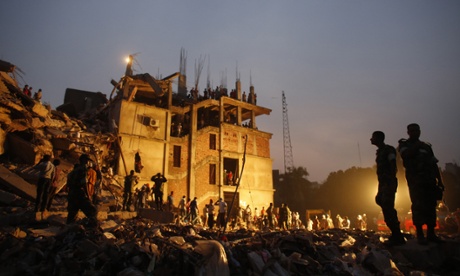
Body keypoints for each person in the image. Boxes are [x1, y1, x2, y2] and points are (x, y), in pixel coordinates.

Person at [398, 123, 445, 244]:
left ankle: (431, 233)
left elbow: (434, 164)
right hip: (415, 181)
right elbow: (406, 155)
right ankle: (419, 234)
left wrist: (440, 181)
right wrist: (417, 145)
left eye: (416, 130)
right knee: (417, 206)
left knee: (430, 206)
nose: (414, 132)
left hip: (429, 180)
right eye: (412, 131)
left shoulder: (427, 147)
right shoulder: (404, 144)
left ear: (420, 131)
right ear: (408, 132)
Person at [371, 131, 406, 246]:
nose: (371, 139)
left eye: (373, 137)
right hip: (383, 183)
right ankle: (395, 234)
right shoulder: (380, 151)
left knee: (388, 206)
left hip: (388, 182)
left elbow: (392, 163)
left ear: (379, 138)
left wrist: (391, 179)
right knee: (382, 203)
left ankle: (397, 235)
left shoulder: (388, 150)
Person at [66, 154, 98, 228]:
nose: (88, 162)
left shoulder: (73, 171)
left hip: (72, 195)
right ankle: (92, 229)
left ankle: (68, 230)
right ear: (83, 160)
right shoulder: (82, 169)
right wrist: (88, 195)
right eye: (87, 160)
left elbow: (68, 185)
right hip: (79, 194)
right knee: (93, 211)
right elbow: (84, 183)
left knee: (72, 215)